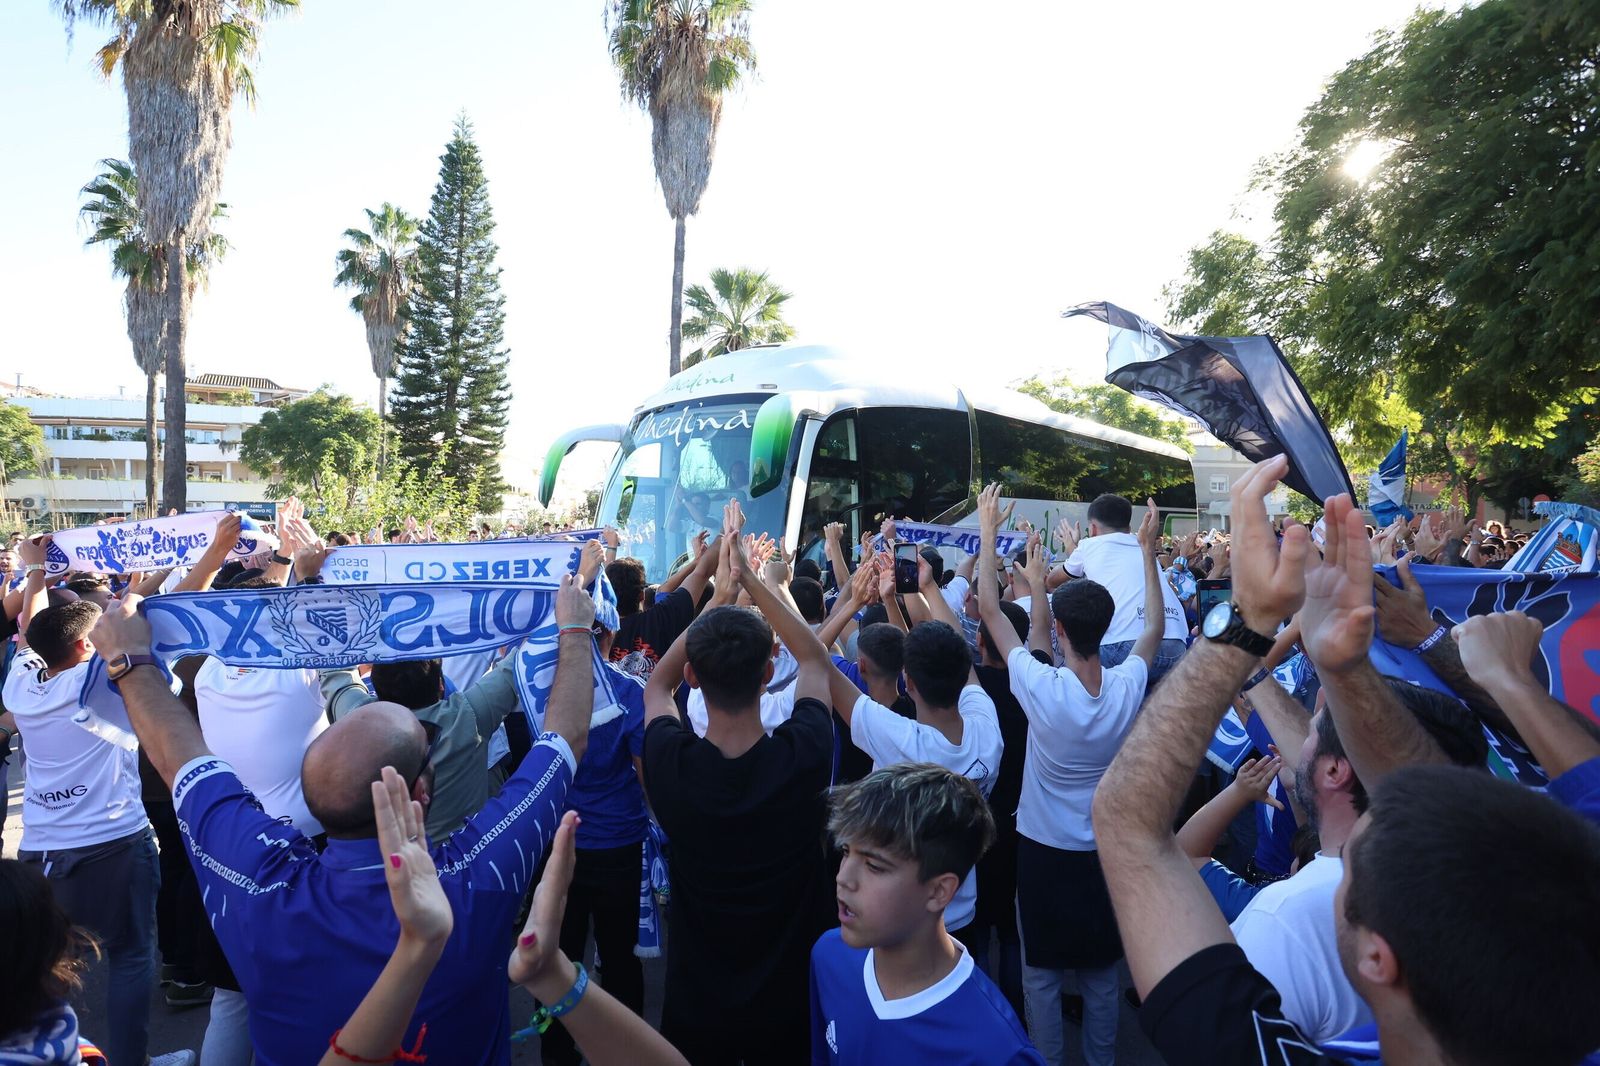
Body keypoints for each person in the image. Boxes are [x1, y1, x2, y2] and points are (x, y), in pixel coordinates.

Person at [1091, 456, 1600, 1066]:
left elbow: (1126, 826)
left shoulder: (1273, 958)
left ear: (1377, 960)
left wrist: (1246, 622)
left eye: (1360, 849)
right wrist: (1349, 667)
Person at [90, 575, 598, 1066]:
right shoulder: (478, 876)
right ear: (419, 792)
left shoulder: (256, 874)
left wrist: (129, 661)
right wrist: (573, 631)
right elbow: (564, 741)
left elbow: (178, 757)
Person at [976, 489, 1167, 1066]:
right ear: (1107, 627)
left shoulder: (1043, 688)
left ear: (1060, 630)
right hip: (1102, 851)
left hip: (1042, 852)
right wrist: (1147, 553)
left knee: (1041, 974)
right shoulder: (1128, 684)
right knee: (1104, 976)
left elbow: (989, 612)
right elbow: (1154, 626)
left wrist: (989, 533)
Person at [641, 501, 835, 1065]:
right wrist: (751, 577)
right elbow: (816, 659)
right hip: (791, 1005)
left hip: (699, 1008)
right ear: (769, 672)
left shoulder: (673, 766)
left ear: (695, 679)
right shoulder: (801, 756)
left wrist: (723, 594)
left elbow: (657, 684)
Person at [5, 536, 169, 1066]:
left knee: (40, 963)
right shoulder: (92, 682)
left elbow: (30, 633)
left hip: (42, 850)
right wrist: (153, 581)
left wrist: (33, 571)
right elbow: (127, 627)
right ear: (83, 649)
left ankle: (53, 1053)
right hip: (114, 843)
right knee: (130, 956)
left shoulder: (21, 684)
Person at [810, 763, 1043, 1065]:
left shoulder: (998, 1052)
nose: (844, 878)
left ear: (939, 891)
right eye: (845, 852)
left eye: (874, 866)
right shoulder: (829, 955)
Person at [823, 618, 1004, 948]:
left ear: (909, 682)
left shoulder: (902, 740)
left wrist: (755, 581)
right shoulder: (987, 728)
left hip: (903, 914)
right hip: (962, 910)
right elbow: (969, 677)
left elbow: (814, 658)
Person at [1050, 493, 1187, 681]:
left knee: (1081, 657)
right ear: (1128, 528)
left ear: (1093, 528)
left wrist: (1070, 546)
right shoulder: (1142, 546)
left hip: (1124, 646)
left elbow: (1052, 581)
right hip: (1177, 646)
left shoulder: (1088, 545)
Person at [607, 537, 718, 679]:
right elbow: (702, 575)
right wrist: (724, 534)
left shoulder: (597, 635)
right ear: (642, 595)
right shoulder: (660, 619)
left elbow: (667, 588)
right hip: (660, 701)